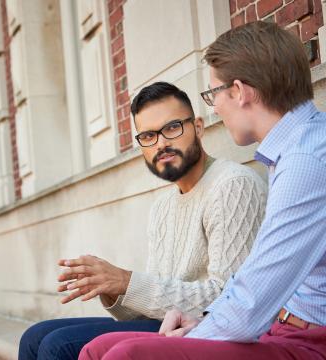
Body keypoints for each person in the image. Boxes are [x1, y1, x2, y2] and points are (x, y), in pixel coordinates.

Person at [79, 21, 326, 360]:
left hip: (308, 339)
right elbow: (252, 281)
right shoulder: (291, 151)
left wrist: (194, 334)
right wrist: (201, 322)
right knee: (98, 348)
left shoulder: (305, 162)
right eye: (148, 136)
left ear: (238, 91)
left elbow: (252, 302)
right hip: (281, 326)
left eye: (213, 94)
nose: (214, 108)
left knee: (127, 355)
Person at [18, 82, 268, 360]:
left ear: (198, 127)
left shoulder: (232, 184)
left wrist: (127, 281)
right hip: (165, 324)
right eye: (148, 136)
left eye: (172, 128)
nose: (161, 143)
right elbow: (153, 305)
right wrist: (112, 288)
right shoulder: (163, 207)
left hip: (204, 331)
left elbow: (227, 299)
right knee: (34, 337)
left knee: (57, 346)